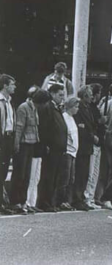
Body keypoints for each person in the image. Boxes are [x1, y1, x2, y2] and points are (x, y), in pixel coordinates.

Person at [8, 86, 42, 214]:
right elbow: (19, 127)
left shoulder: (34, 108)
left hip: (31, 143)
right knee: (19, 174)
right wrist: (16, 144)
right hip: (23, 144)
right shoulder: (24, 108)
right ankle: (15, 202)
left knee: (27, 175)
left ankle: (23, 202)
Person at [37, 83, 68, 212]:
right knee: (48, 176)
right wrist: (47, 144)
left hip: (58, 148)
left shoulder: (56, 108)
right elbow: (45, 127)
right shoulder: (48, 107)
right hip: (52, 148)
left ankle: (50, 201)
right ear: (53, 94)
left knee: (55, 176)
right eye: (60, 95)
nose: (62, 98)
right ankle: (45, 202)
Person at [72, 85, 97, 211]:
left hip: (87, 146)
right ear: (85, 95)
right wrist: (92, 136)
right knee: (80, 173)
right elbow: (81, 127)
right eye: (90, 94)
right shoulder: (80, 108)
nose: (92, 96)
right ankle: (77, 199)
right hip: (82, 145)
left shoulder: (88, 108)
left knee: (85, 173)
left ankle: (81, 197)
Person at [56, 96, 80, 211]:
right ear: (70, 107)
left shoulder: (72, 118)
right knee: (65, 178)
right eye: (75, 106)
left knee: (71, 178)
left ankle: (66, 200)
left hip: (73, 152)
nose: (77, 109)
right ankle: (61, 201)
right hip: (67, 152)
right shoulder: (65, 117)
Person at [0, 74, 16, 213]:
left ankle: (2, 203)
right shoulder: (0, 102)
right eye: (12, 84)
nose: (14, 87)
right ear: (5, 85)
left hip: (9, 138)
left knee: (4, 171)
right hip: (2, 138)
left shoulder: (9, 102)